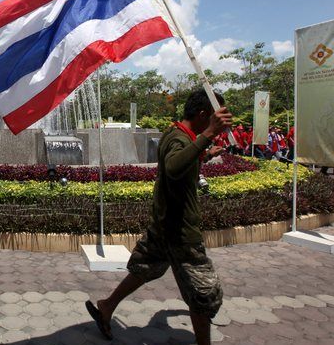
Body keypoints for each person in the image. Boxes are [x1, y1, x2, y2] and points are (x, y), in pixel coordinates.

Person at [85, 89, 231, 345]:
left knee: (145, 269)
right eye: (216, 117)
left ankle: (107, 306)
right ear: (203, 115)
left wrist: (206, 153)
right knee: (203, 293)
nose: (219, 123)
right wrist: (208, 135)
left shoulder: (181, 135)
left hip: (165, 225)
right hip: (180, 231)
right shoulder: (179, 139)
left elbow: (184, 163)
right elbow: (174, 167)